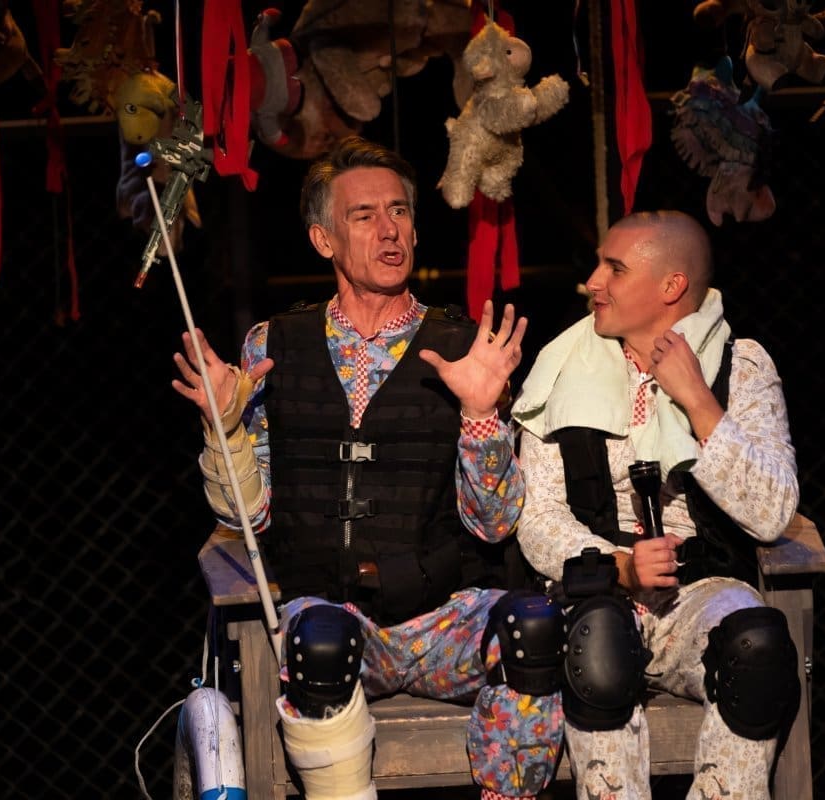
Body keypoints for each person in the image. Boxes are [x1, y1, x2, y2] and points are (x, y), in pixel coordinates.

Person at [171, 135, 565, 800]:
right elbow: (247, 515)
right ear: (323, 239)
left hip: (443, 618)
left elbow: (495, 524)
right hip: (336, 618)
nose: (389, 230)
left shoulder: (463, 346)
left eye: (399, 212)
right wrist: (225, 428)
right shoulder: (275, 345)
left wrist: (479, 413)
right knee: (321, 643)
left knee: (533, 630)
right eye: (364, 216)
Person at [511, 210, 802, 800]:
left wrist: (698, 400)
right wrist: (617, 566)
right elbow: (536, 517)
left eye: (614, 269)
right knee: (597, 640)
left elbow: (771, 510)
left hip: (700, 592)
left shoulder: (739, 367)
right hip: (599, 590)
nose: (593, 282)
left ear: (671, 286)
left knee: (757, 644)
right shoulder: (562, 367)